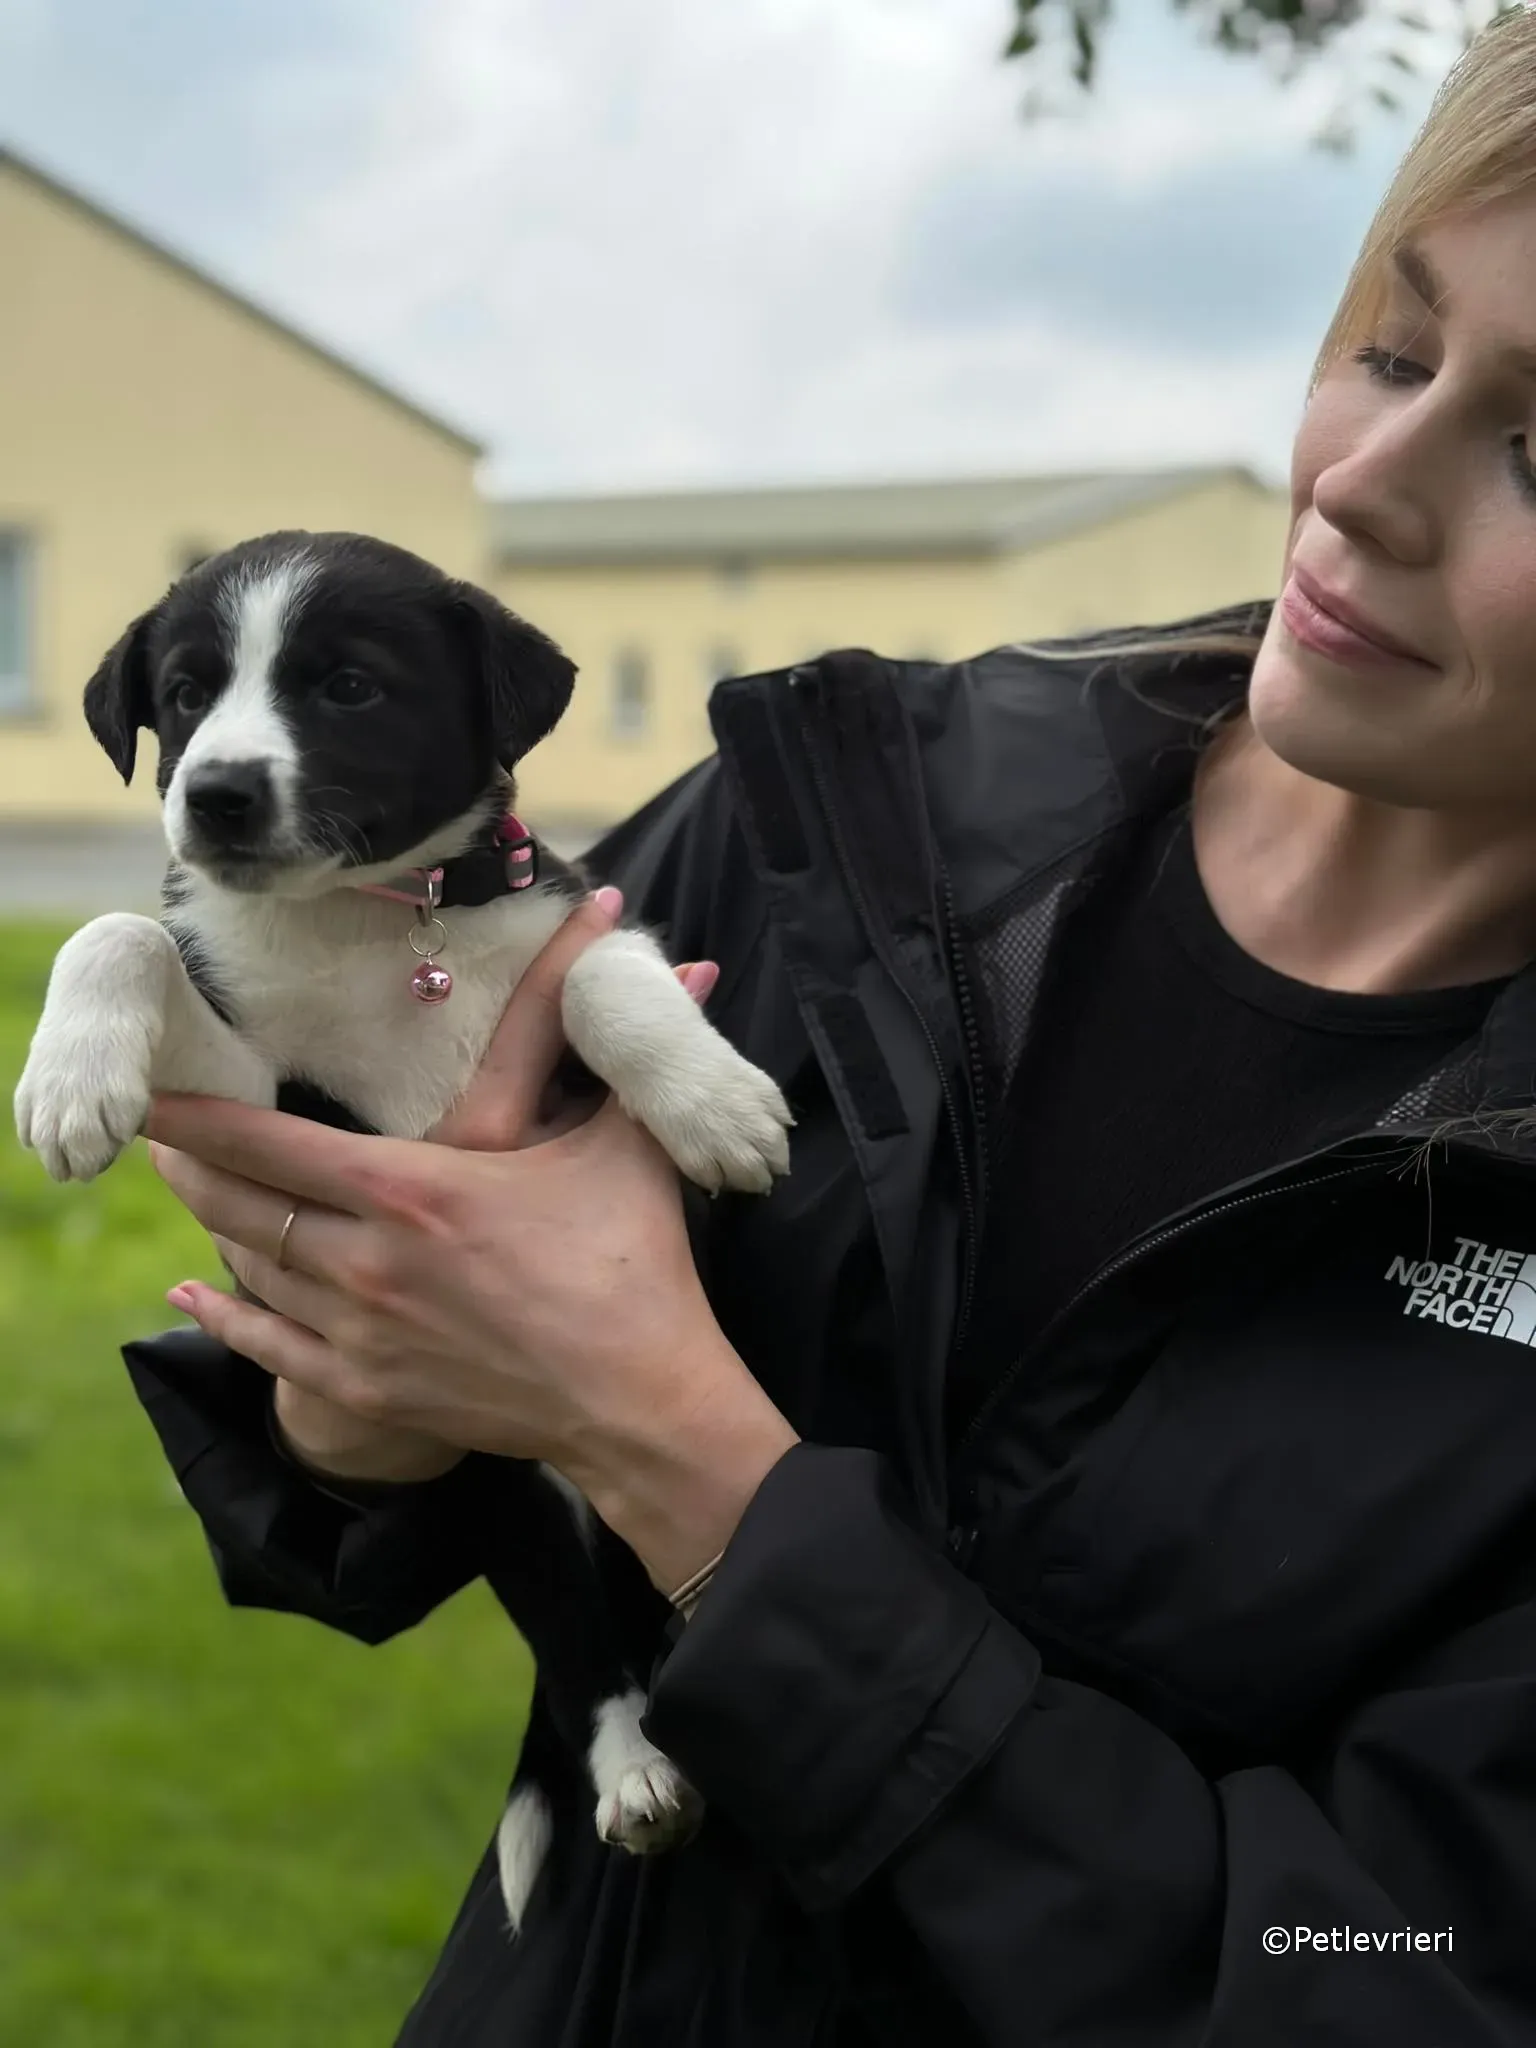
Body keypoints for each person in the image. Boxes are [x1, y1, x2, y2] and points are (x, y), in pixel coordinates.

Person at [124, 15, 1536, 2044]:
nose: (1366, 485)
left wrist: (679, 1443)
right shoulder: (861, 809)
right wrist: (358, 1409)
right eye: (1395, 345)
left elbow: (1392, 1985)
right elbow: (356, 1410)